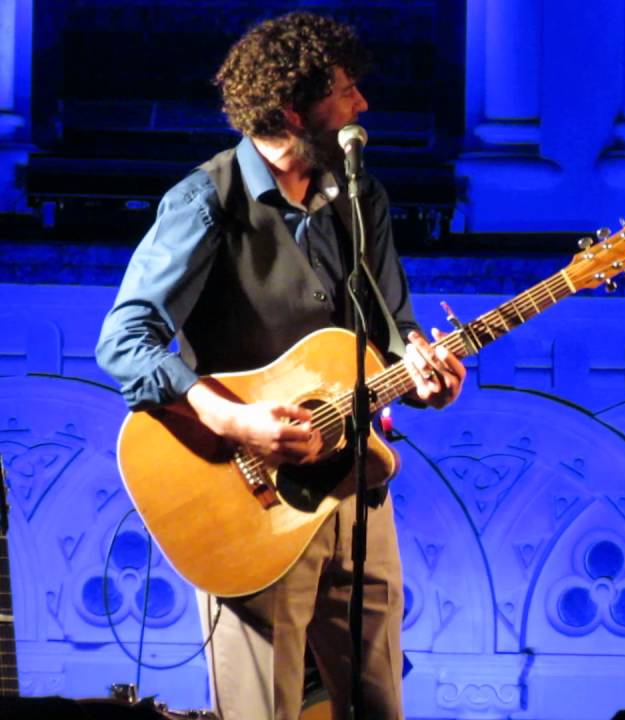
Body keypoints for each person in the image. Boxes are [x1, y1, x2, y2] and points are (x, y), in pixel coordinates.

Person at [95, 12, 464, 719]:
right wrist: (235, 421)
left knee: (380, 706)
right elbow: (125, 340)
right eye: (347, 91)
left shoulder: (363, 198)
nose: (363, 106)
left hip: (358, 490)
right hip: (249, 503)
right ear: (295, 109)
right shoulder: (206, 201)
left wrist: (426, 379)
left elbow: (394, 333)